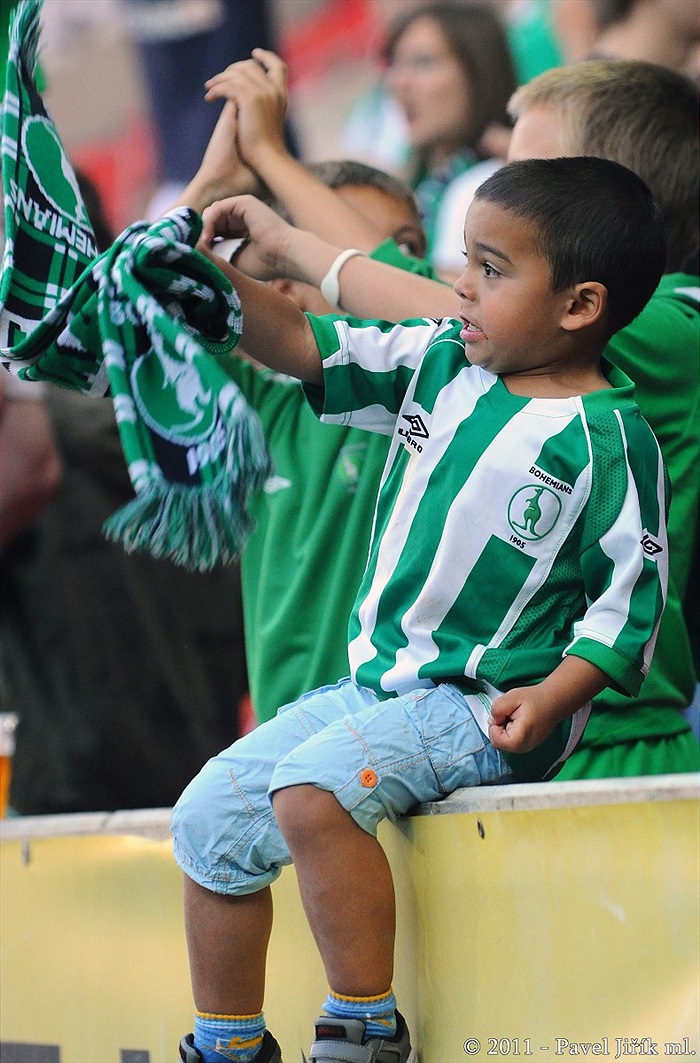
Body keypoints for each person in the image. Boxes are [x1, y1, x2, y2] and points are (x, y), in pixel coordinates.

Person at [173, 155, 668, 1063]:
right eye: (464, 262)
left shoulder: (611, 438)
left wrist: (557, 694)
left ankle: (364, 1025)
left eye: (490, 268)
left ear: (579, 306)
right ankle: (227, 1041)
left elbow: (629, 606)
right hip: (377, 690)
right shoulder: (437, 359)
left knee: (312, 791)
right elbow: (296, 334)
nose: (459, 286)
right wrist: (203, 276)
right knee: (205, 819)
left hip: (483, 701)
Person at [224, 56, 698, 779]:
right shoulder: (503, 344)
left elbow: (431, 299)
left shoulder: (674, 325)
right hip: (466, 735)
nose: (507, 189)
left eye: (532, 173)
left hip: (612, 745)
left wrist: (282, 192)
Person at [381, 2, 517, 280]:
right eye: (395, 64)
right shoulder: (421, 183)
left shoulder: (487, 184)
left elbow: (451, 308)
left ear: (479, 72)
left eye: (423, 63)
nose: (399, 82)